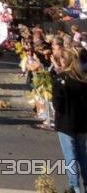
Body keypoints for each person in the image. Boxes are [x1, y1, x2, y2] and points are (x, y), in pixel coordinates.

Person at [52, 50, 87, 193]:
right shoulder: (83, 79)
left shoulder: (61, 79)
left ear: (63, 61)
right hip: (82, 122)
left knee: (70, 156)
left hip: (66, 123)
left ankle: (75, 186)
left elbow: (57, 105)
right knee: (82, 154)